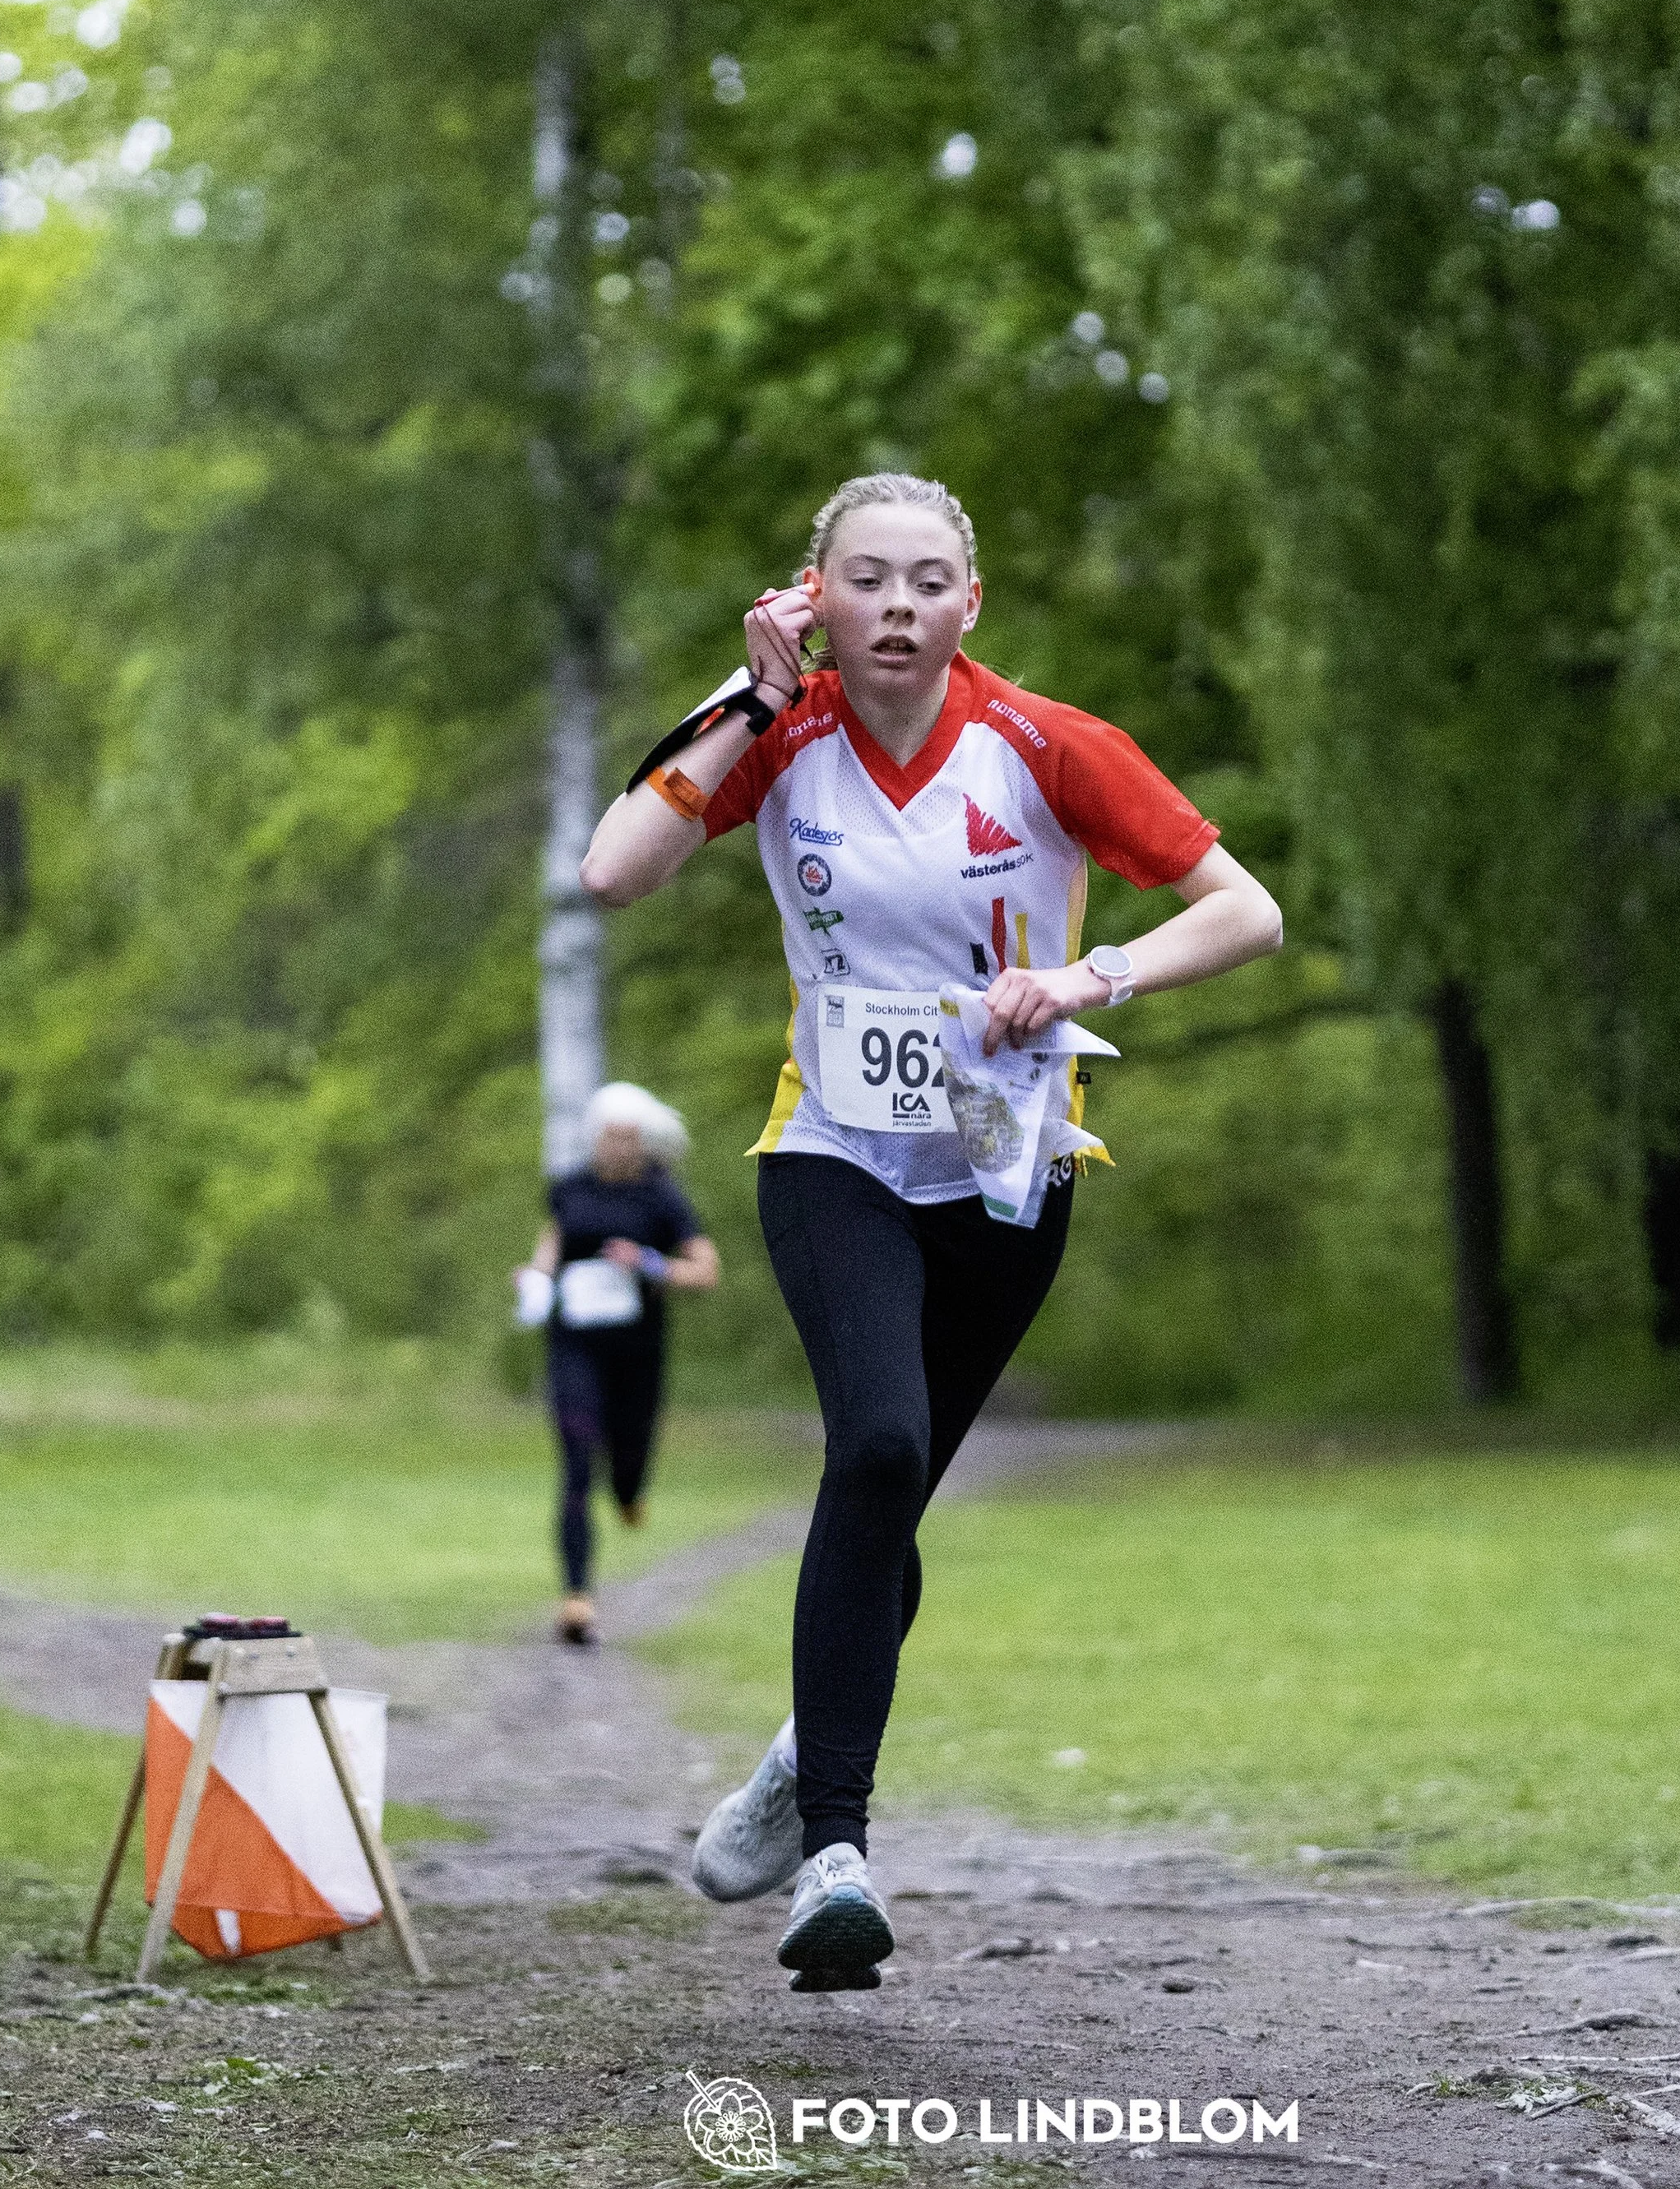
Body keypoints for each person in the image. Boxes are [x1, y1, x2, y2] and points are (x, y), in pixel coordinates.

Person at [580, 473, 1282, 1987]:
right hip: (830, 1154)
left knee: (882, 1508)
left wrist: (1094, 983)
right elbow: (610, 872)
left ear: (972, 606)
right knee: (879, 1448)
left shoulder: (1042, 744)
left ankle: (791, 1761)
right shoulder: (780, 733)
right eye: (867, 582)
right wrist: (743, 705)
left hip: (1011, 1176)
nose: (897, 609)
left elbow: (1246, 911)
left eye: (927, 584)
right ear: (813, 598)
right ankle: (837, 1850)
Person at [520, 1081, 720, 1646]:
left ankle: (631, 1494)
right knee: (578, 1460)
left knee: (627, 1468)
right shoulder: (570, 1189)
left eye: (629, 1138)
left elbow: (706, 1270)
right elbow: (552, 1248)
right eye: (609, 1136)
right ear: (594, 1137)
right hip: (575, 1344)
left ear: (645, 1142)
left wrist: (651, 1263)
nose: (618, 1148)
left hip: (637, 1352)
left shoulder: (662, 1198)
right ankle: (577, 1598)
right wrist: (535, 1280)